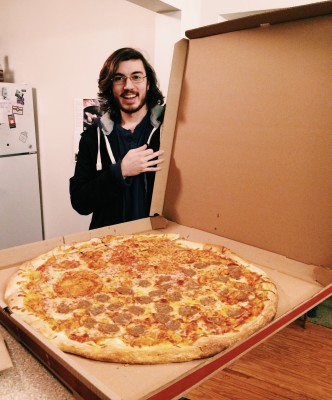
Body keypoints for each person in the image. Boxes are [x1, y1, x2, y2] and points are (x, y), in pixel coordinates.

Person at [70, 48, 165, 229]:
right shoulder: (92, 137)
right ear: (110, 86)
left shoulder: (169, 130)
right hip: (110, 247)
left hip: (159, 243)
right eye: (119, 78)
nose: (128, 86)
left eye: (136, 77)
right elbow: (79, 202)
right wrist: (119, 172)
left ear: (148, 83)